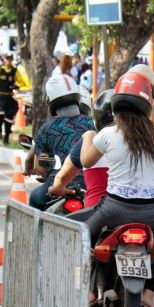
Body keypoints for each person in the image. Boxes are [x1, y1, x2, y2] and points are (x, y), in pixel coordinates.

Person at [76, 71, 154, 307]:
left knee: (80, 235)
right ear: (148, 104)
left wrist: (87, 137)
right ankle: (149, 292)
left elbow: (85, 161)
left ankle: (91, 291)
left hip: (114, 211)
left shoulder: (107, 134)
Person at [28, 74, 93, 210]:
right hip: (89, 185)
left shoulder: (45, 129)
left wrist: (52, 179)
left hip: (56, 186)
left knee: (34, 198)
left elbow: (39, 167)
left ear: (51, 101)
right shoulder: (92, 124)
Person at [48, 89, 114, 209]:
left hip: (99, 211)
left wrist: (56, 188)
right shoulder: (151, 139)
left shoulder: (91, 137)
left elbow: (62, 178)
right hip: (148, 213)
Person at [0, 52, 30, 145]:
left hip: (9, 97)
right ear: (4, 60)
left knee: (9, 118)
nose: (8, 61)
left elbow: (23, 83)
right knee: (0, 114)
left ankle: (6, 137)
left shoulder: (15, 71)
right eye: (6, 59)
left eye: (10, 59)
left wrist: (16, 86)